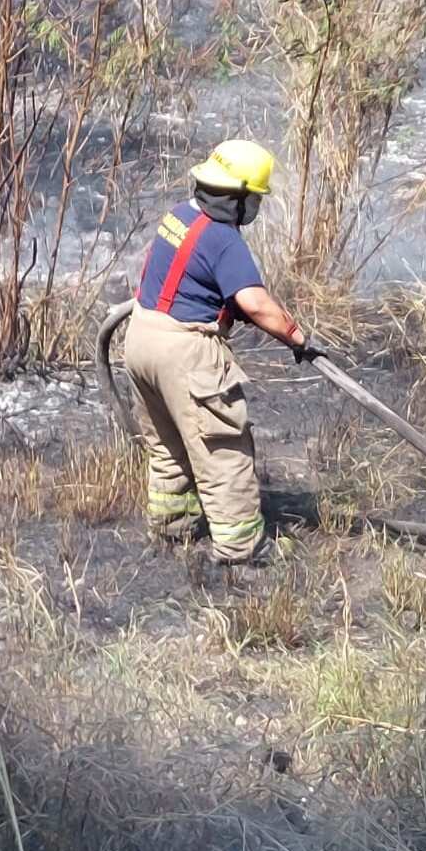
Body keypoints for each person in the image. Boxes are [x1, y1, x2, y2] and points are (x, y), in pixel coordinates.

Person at [124, 139, 319, 570]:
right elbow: (254, 302)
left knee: (168, 444)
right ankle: (240, 549)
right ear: (240, 198)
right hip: (186, 352)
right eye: (255, 200)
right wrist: (297, 337)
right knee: (223, 451)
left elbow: (183, 276)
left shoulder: (179, 215)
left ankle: (172, 526)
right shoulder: (225, 239)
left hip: (141, 337)